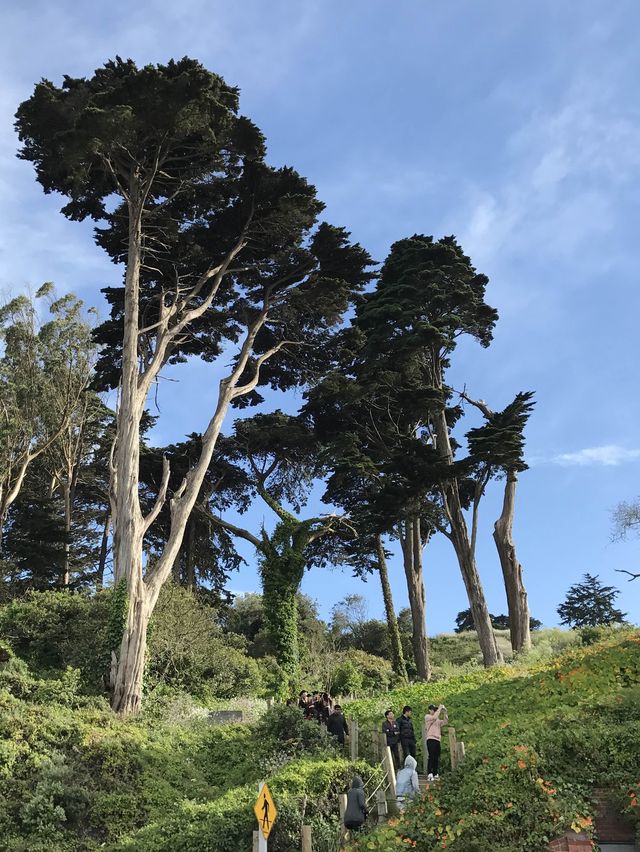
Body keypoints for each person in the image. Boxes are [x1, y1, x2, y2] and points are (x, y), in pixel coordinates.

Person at [424, 703, 448, 781]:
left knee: (436, 757)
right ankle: (430, 773)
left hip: (437, 739)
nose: (435, 711)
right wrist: (439, 709)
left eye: (435, 710)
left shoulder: (437, 720)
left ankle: (435, 773)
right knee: (431, 756)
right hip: (431, 739)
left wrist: (445, 713)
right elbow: (434, 717)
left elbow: (445, 722)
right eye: (433, 710)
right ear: (430, 710)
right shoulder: (428, 717)